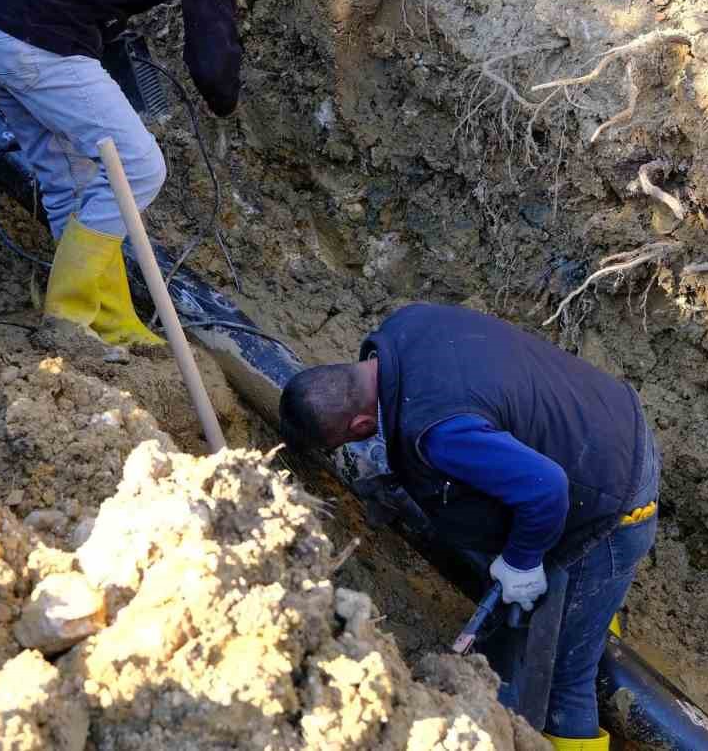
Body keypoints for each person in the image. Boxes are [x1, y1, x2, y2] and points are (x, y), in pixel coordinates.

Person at [278, 303, 659, 751]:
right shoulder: (403, 329)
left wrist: (520, 563)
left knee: (561, 679)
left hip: (613, 500)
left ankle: (584, 627)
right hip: (600, 421)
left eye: (351, 439)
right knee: (564, 608)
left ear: (361, 425)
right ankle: (587, 612)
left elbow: (547, 489)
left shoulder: (439, 431)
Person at [0, 0, 261, 348]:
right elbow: (211, 52)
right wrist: (224, 100)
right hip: (39, 40)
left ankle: (107, 323)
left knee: (69, 182)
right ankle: (67, 318)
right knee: (140, 167)